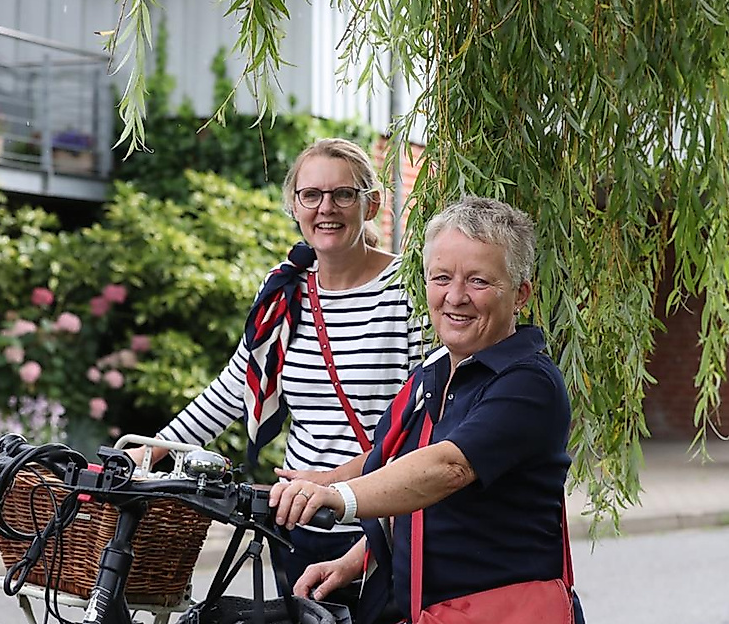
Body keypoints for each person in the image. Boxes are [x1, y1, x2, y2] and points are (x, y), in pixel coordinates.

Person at [126, 138, 428, 607]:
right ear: (294, 205)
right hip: (296, 522)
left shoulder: (409, 291)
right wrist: (147, 452)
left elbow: (425, 425)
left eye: (343, 194)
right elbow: (235, 388)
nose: (326, 208)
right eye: (311, 195)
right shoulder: (285, 290)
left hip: (383, 521)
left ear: (371, 205)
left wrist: (335, 485)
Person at [269, 196, 583, 624]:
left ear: (521, 293)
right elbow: (407, 471)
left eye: (478, 281)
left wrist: (338, 498)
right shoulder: (435, 371)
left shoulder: (528, 382)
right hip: (429, 610)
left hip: (498, 611)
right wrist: (356, 558)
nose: (456, 297)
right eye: (441, 277)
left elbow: (446, 467)